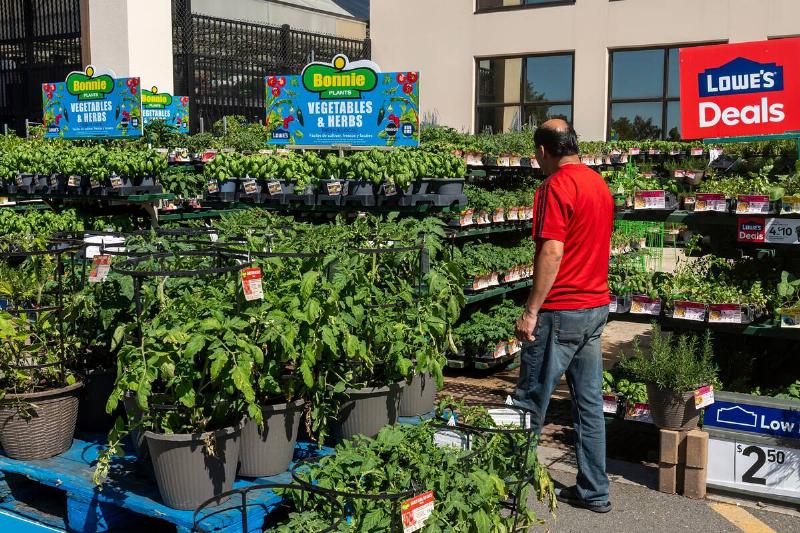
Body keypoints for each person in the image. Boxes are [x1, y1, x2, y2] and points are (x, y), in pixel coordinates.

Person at [512, 119, 614, 513]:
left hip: (561, 310)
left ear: (542, 151)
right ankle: (595, 491)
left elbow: (552, 251)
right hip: (595, 308)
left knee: (529, 401)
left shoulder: (555, 186)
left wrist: (531, 310)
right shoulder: (597, 184)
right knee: (588, 405)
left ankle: (508, 488)